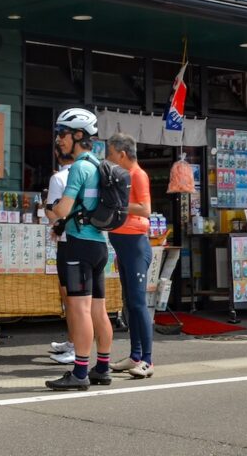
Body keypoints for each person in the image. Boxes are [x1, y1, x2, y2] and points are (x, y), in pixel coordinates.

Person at [43, 107, 113, 391]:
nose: (59, 140)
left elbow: (62, 210)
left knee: (79, 309)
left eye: (63, 134)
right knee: (99, 309)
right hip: (98, 244)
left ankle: (80, 372)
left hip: (78, 245)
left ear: (79, 135)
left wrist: (49, 211)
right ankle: (103, 367)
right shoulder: (99, 165)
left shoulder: (79, 169)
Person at [104, 132, 154, 378]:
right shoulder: (122, 175)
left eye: (111, 154)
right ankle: (135, 355)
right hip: (123, 244)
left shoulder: (138, 175)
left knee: (137, 302)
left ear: (122, 154)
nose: (109, 159)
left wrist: (117, 203)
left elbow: (145, 209)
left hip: (135, 244)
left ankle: (147, 360)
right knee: (129, 303)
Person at [44, 147, 74, 364]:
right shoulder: (92, 173)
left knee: (71, 299)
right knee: (83, 300)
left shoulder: (60, 178)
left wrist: (55, 222)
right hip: (90, 241)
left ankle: (75, 346)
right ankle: (74, 342)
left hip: (68, 241)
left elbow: (53, 211)